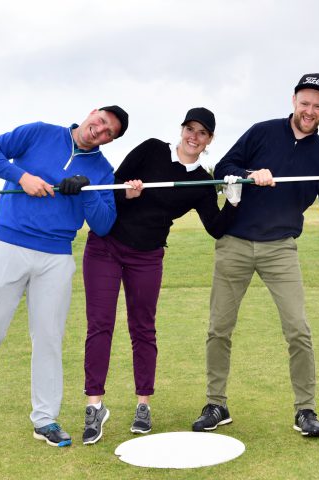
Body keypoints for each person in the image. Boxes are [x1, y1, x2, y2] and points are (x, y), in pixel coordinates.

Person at [190, 74, 319, 438]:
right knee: (219, 328)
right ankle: (216, 404)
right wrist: (252, 174)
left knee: (298, 330)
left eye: (318, 105)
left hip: (280, 249)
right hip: (235, 243)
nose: (309, 110)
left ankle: (305, 410)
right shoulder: (262, 132)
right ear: (294, 100)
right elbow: (222, 169)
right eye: (305, 102)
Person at [0, 106, 129, 455]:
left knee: (49, 338)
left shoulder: (103, 170)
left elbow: (105, 224)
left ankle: (45, 419)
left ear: (111, 140)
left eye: (110, 132)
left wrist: (88, 192)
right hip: (9, 245)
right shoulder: (39, 132)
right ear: (91, 113)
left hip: (56, 257)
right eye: (102, 121)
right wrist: (22, 177)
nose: (101, 130)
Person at [81, 107, 242, 445]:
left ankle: (143, 405)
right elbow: (111, 187)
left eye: (202, 133)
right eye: (190, 128)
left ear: (209, 140)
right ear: (182, 129)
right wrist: (127, 192)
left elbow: (216, 228)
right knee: (100, 325)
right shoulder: (152, 148)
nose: (193, 137)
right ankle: (94, 406)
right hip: (106, 248)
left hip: (148, 256)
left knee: (143, 327)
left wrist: (233, 202)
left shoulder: (202, 181)